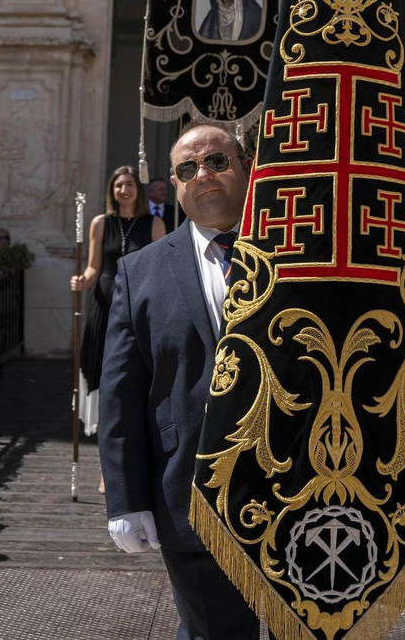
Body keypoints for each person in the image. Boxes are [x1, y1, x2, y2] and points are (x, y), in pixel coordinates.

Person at [100, 122, 260, 640]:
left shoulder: (302, 254)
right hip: (190, 494)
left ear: (247, 167)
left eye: (217, 161)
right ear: (174, 183)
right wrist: (125, 497)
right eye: (188, 169)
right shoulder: (139, 271)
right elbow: (121, 391)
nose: (203, 175)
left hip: (301, 494)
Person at [71, 166, 166, 443]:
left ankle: (129, 422)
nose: (123, 190)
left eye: (129, 185)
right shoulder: (100, 222)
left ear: (138, 189)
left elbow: (160, 269)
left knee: (131, 364)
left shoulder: (155, 224)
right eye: (118, 186)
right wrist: (82, 281)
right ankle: (104, 433)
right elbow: (93, 267)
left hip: (139, 298)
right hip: (105, 297)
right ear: (112, 191)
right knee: (100, 362)